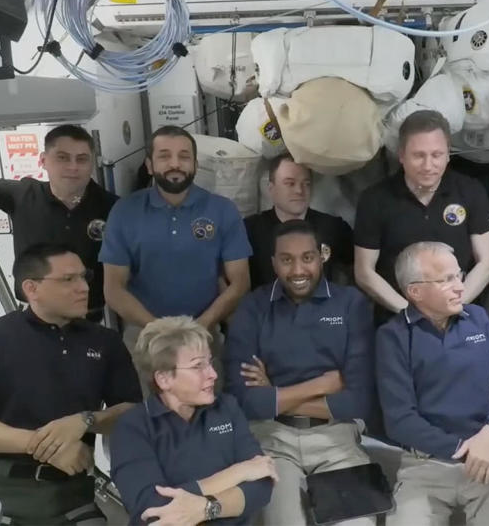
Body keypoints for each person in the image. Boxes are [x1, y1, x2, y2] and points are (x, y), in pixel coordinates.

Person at [0, 243, 142, 525]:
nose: (83, 287)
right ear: (31, 289)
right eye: (68, 280)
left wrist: (86, 420)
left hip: (72, 495)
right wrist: (42, 445)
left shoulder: (104, 342)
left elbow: (132, 413)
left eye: (85, 277)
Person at [224, 219, 376, 525]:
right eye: (286, 260)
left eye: (307, 258)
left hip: (338, 438)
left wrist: (275, 394)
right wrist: (324, 384)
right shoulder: (253, 308)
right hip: (272, 440)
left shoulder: (351, 304)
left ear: (322, 256)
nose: (297, 271)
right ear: (273, 262)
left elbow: (357, 401)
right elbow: (244, 401)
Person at [375, 241, 489, 525]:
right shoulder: (393, 337)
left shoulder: (478, 318)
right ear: (415, 291)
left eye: (459, 275)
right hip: (426, 465)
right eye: (447, 280)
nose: (460, 286)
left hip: (488, 455)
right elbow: (400, 420)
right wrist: (472, 450)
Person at [100, 126, 252, 373]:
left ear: (195, 163)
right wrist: (158, 330)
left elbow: (240, 282)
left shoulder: (222, 210)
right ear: (149, 165)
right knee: (149, 410)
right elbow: (113, 288)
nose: (175, 164)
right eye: (164, 156)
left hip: (204, 334)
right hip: (144, 337)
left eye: (184, 156)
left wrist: (200, 326)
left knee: (208, 407)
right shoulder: (124, 212)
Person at [0, 125, 117, 321]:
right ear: (43, 160)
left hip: (90, 322)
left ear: (91, 164)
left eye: (82, 159)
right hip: (33, 322)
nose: (73, 167)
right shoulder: (22, 194)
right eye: (62, 157)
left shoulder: (115, 208)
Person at [110, 316, 275, 525]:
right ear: (164, 379)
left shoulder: (226, 407)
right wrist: (239, 472)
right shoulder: (132, 428)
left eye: (210, 363)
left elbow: (262, 484)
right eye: (198, 366)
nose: (213, 374)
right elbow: (151, 507)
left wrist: (207, 509)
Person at [354, 110, 489, 322]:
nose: (428, 166)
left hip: (460, 314)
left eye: (437, 155)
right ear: (401, 155)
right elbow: (364, 272)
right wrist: (411, 314)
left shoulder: (470, 191)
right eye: (419, 155)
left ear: (448, 153)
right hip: (398, 317)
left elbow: (487, 262)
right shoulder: (375, 200)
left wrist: (451, 307)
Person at [244, 153, 354, 288]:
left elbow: (359, 269)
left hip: (321, 307)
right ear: (271, 188)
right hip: (267, 307)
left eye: (306, 184)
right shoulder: (249, 230)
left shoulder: (332, 226)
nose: (299, 190)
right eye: (290, 183)